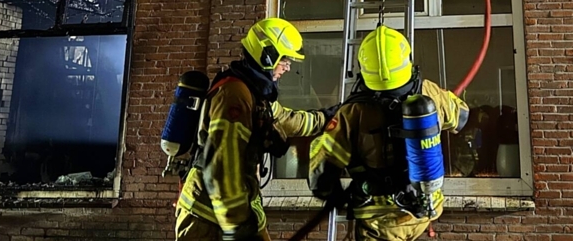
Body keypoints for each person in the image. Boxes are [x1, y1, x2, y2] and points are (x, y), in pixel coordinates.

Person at [175, 18, 337, 241]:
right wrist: (237, 225)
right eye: (285, 60)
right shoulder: (235, 96)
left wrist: (327, 117)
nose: (288, 67)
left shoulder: (256, 95)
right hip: (207, 216)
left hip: (236, 205)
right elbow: (222, 166)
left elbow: (289, 120)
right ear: (267, 55)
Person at [307, 26, 469, 241]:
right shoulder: (429, 92)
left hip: (379, 221)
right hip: (423, 212)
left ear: (364, 68)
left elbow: (320, 174)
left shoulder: (352, 113)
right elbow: (462, 116)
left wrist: (338, 197)